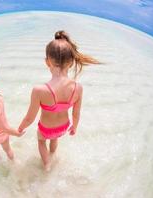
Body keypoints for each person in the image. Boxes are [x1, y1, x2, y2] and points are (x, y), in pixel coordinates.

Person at [18, 31, 99, 170]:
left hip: (45, 129)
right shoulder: (77, 88)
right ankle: (53, 154)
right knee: (54, 139)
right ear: (72, 62)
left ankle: (47, 165)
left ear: (47, 62)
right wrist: (74, 127)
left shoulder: (39, 90)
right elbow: (76, 113)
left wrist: (21, 128)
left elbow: (30, 117)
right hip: (63, 128)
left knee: (41, 141)